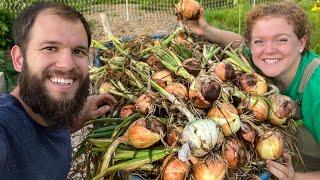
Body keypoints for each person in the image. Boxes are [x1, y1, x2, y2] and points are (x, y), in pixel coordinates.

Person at [187, 1, 320, 179]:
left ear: (301, 43)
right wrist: (205, 29)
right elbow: (235, 42)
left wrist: (296, 178)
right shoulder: (260, 60)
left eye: (281, 40)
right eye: (259, 41)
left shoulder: (316, 87)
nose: (269, 50)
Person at [0, 2, 116, 179]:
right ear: (19, 59)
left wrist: (76, 118)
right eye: (50, 48)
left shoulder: (48, 114)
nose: (67, 65)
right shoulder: (5, 126)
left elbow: (40, 134)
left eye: (78, 51)